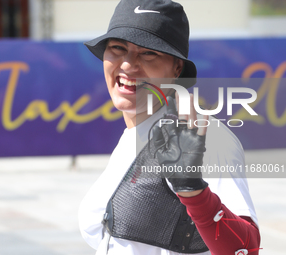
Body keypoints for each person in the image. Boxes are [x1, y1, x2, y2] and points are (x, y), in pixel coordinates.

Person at [79, 0, 261, 255]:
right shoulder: (136, 131)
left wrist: (194, 192)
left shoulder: (204, 137)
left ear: (177, 68)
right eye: (118, 48)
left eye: (148, 53)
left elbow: (245, 249)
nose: (128, 64)